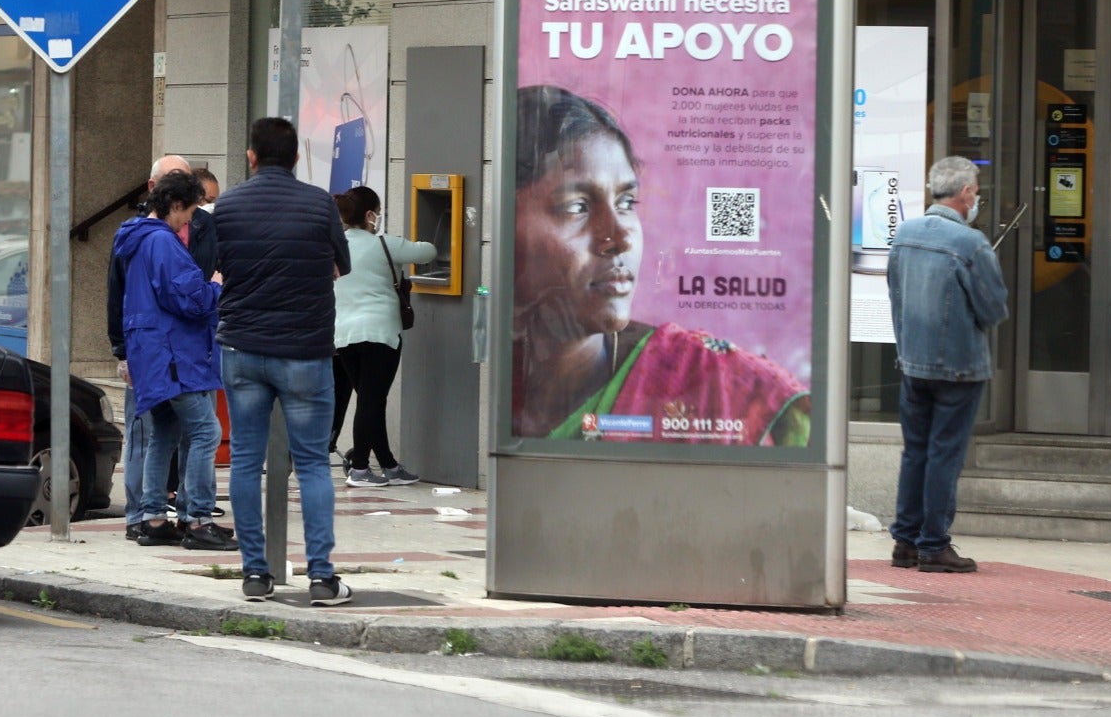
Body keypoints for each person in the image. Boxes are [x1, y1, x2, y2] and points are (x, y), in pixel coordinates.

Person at [512, 85, 810, 445]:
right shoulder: (474, 380)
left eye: (626, 202)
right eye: (577, 206)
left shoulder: (725, 388)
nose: (620, 238)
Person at [214, 117, 354, 606]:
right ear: (297, 158)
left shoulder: (226, 206)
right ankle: (321, 577)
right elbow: (341, 266)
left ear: (251, 156)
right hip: (306, 352)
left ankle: (255, 574)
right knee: (313, 464)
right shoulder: (320, 204)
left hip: (243, 350)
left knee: (246, 463)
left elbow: (216, 269)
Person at [886, 155, 1009, 574]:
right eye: (976, 190)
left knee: (915, 452)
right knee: (944, 455)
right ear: (967, 192)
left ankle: (904, 541)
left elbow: (894, 294)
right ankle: (934, 544)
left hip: (913, 363)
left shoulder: (905, 234)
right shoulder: (971, 243)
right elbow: (993, 308)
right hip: (959, 366)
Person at [111, 170, 235, 551]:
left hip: (151, 352)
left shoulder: (134, 239)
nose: (189, 220)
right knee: (205, 432)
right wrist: (215, 284)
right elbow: (192, 300)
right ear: (176, 205)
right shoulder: (162, 243)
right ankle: (198, 521)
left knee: (163, 433)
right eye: (189, 211)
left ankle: (153, 519)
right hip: (175, 354)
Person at [330, 186, 438, 488]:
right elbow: (429, 250)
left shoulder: (336, 245)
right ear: (369, 215)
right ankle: (361, 468)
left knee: (370, 400)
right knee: (371, 401)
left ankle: (389, 465)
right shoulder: (385, 245)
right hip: (381, 336)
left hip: (344, 337)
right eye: (377, 211)